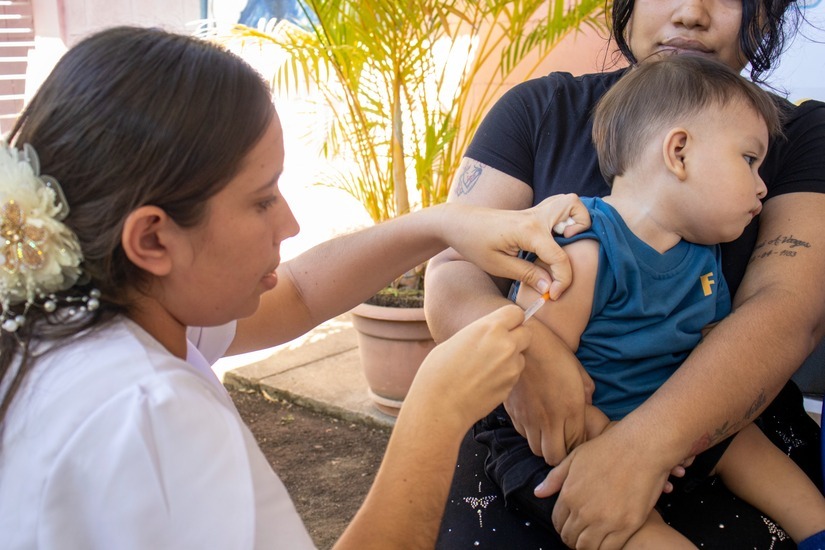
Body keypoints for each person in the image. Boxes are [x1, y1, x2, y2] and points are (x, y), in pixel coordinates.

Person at [0, 26, 592, 549]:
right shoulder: (150, 415)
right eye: (262, 199)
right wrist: (436, 411)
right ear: (153, 239)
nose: (290, 223)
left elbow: (300, 294)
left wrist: (440, 224)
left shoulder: (85, 315)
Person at [425, 1, 825, 548]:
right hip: (555, 426)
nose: (691, 13)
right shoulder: (542, 110)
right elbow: (453, 270)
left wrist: (641, 448)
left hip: (720, 418)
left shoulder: (799, 134)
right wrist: (531, 361)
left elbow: (786, 309)